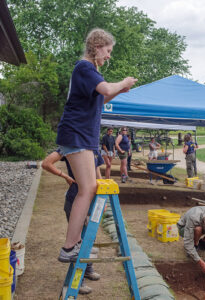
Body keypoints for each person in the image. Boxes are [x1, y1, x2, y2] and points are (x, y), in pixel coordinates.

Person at [55, 28, 138, 262]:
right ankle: (69, 247)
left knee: (89, 189)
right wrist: (123, 81)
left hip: (82, 138)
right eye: (108, 51)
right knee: (87, 189)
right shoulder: (85, 67)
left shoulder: (89, 71)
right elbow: (105, 88)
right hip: (76, 136)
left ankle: (77, 242)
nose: (109, 56)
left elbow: (101, 98)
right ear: (97, 46)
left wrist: (119, 90)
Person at [42, 149, 103, 294]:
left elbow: (97, 172)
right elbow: (46, 163)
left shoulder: (94, 148)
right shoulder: (71, 146)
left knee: (90, 238)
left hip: (91, 201)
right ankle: (78, 281)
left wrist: (101, 194)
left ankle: (88, 269)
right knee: (78, 243)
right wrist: (65, 176)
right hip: (74, 201)